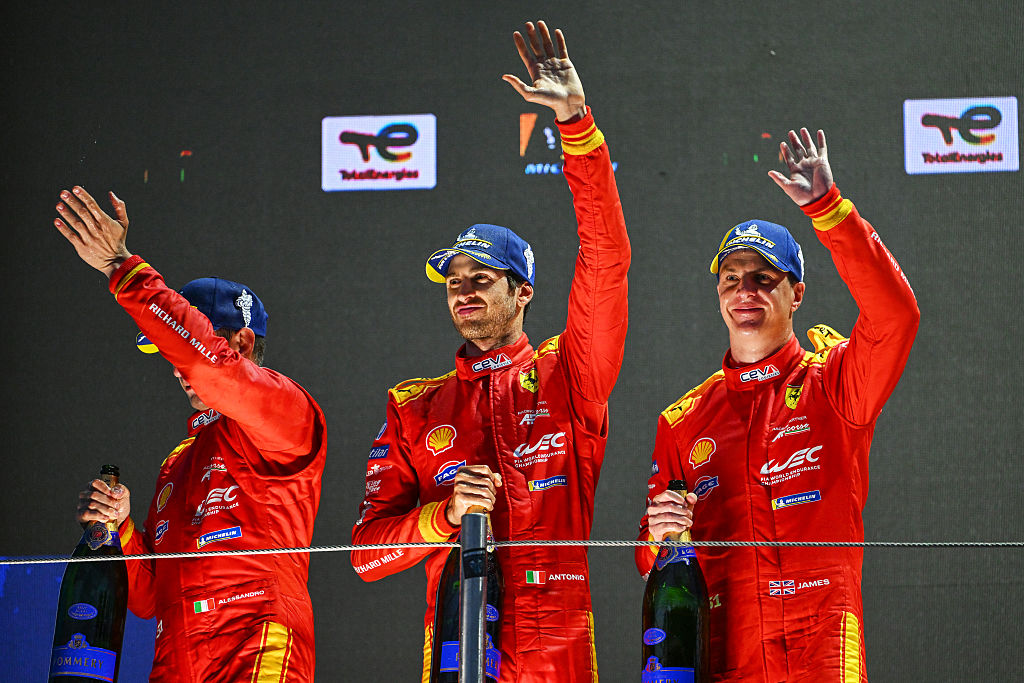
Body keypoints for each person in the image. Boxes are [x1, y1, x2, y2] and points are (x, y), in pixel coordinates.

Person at [350, 20, 629, 683]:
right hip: (459, 645)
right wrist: (444, 516)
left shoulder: (571, 372)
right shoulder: (414, 407)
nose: (463, 291)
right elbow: (365, 556)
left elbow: (606, 258)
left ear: (523, 290)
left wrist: (576, 125)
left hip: (561, 648)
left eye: (481, 278)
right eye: (454, 281)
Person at [635, 129, 919, 682]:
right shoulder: (682, 420)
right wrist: (658, 535)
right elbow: (652, 562)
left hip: (823, 645)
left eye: (764, 278)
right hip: (726, 650)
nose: (745, 291)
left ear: (797, 294)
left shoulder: (834, 383)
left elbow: (895, 316)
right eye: (731, 279)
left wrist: (829, 210)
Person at [57, 187, 327, 682]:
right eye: (167, 354)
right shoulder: (178, 461)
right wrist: (121, 529)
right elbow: (148, 600)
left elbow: (213, 370)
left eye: (179, 350)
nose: (175, 367)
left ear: (242, 340)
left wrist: (120, 266)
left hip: (255, 642)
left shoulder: (287, 410)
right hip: (174, 660)